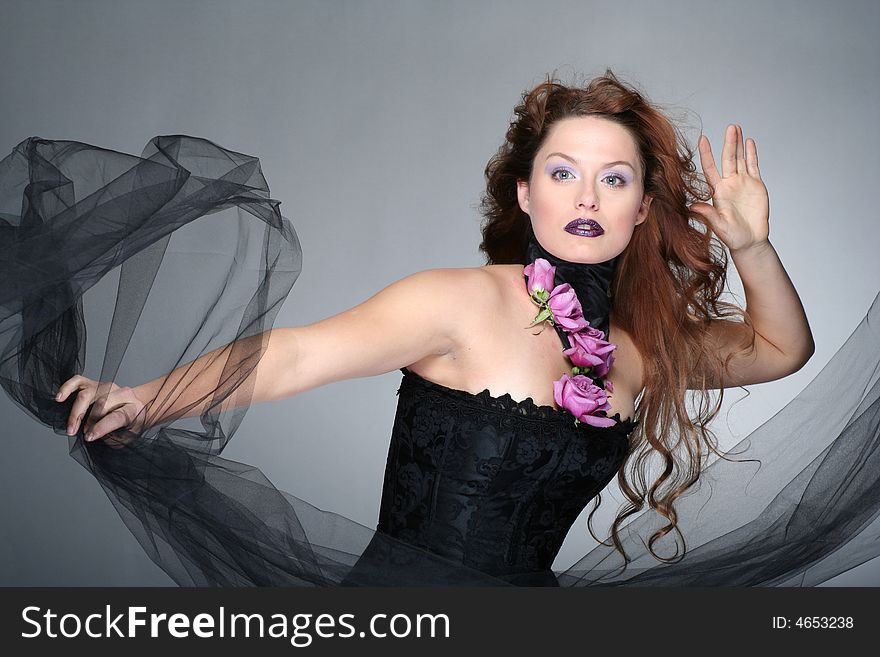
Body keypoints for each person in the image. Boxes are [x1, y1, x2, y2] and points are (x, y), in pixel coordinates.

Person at [3, 72, 877, 586]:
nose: (585, 196)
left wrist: (754, 246)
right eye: (563, 172)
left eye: (614, 180)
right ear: (526, 195)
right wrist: (147, 398)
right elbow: (298, 351)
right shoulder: (459, 300)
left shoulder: (643, 345)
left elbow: (777, 349)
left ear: (644, 207)